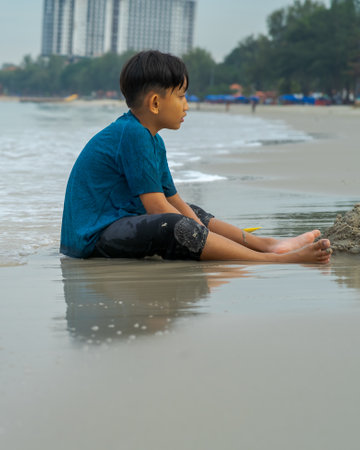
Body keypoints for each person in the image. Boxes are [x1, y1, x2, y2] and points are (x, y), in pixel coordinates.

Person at [60, 50, 332, 264]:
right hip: (92, 239)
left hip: (116, 224)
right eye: (181, 96)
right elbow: (156, 207)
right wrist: (199, 234)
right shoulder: (132, 134)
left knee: (191, 212)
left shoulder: (152, 139)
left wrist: (203, 231)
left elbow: (172, 198)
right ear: (155, 103)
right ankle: (270, 260)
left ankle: (270, 245)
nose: (187, 105)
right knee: (175, 223)